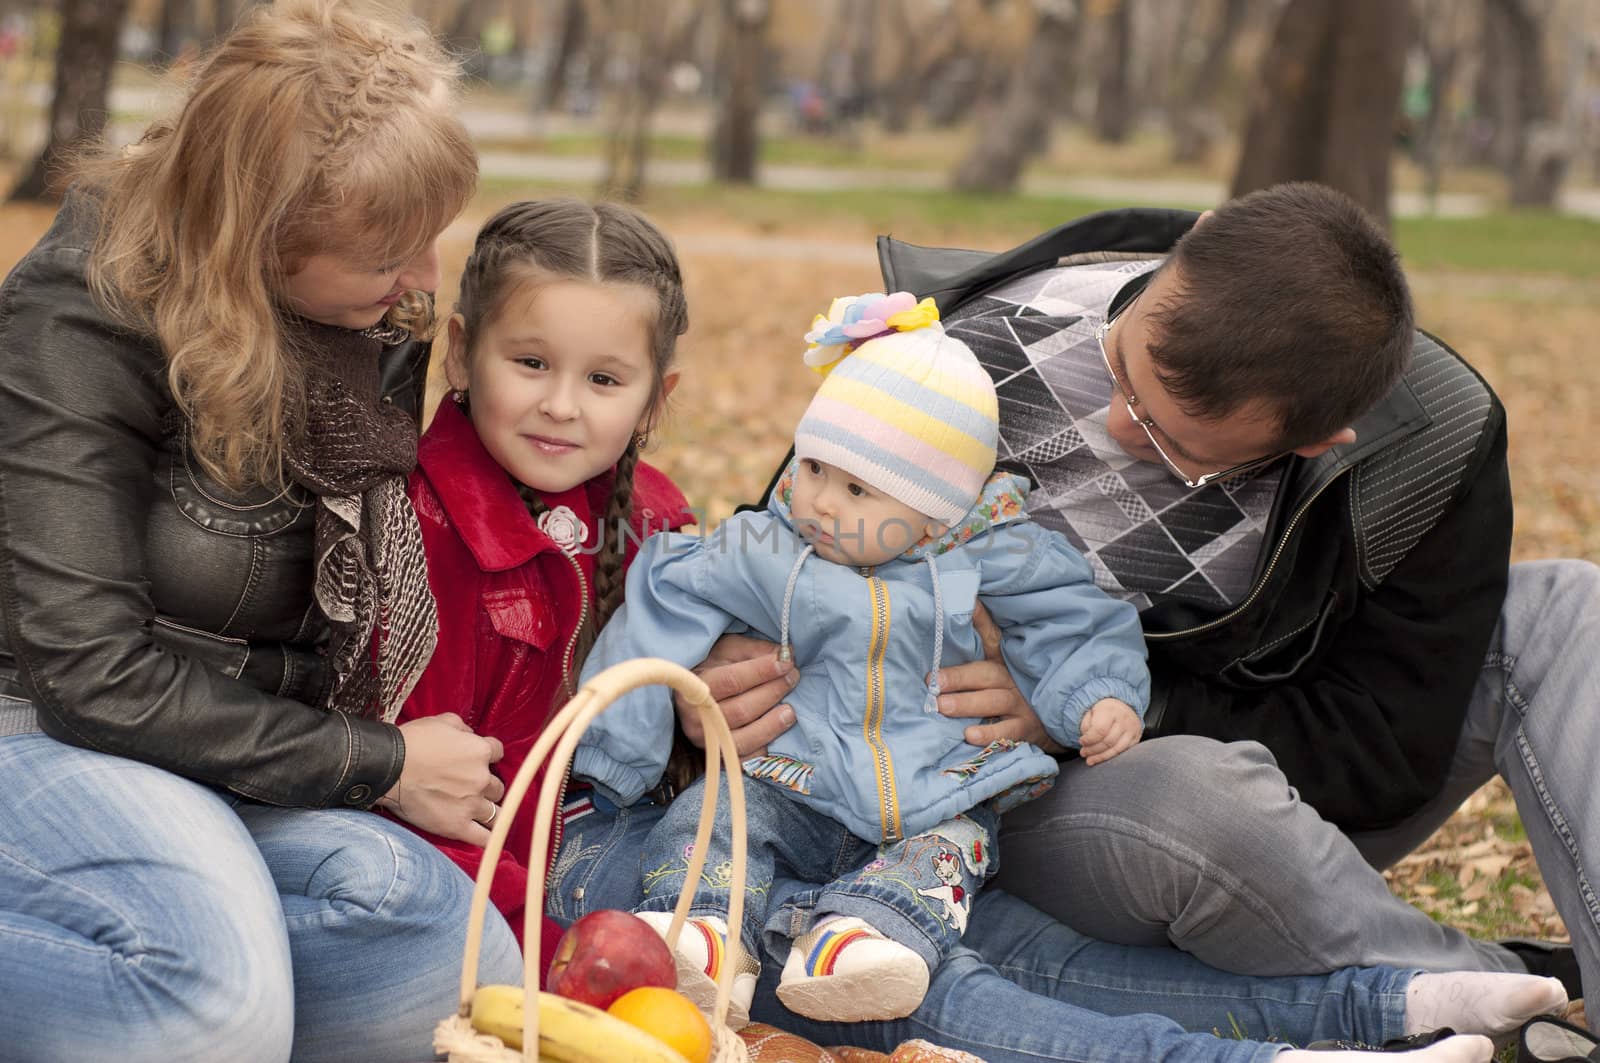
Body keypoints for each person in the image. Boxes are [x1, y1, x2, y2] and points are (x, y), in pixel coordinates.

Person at [682, 181, 1591, 1019]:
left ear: (1318, 441)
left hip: (1200, 767)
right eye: (1122, 368)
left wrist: (1102, 705)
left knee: (1569, 607)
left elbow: (1388, 755)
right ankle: (1509, 989)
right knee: (1199, 800)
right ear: (1188, 245)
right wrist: (731, 663)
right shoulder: (969, 344)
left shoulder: (1428, 456)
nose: (1119, 424)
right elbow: (789, 542)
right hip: (987, 802)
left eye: (1170, 441)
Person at [0, 3, 522, 1059]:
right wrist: (374, 764)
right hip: (47, 727)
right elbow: (87, 670)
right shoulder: (77, 314)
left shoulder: (357, 317)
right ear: (259, 240)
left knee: (449, 964)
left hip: (230, 755)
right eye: (389, 250)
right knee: (210, 1004)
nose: (424, 276)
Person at [571, 297, 1148, 1026]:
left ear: (938, 510)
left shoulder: (993, 554)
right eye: (812, 467)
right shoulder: (767, 547)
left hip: (937, 788)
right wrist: (618, 742)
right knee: (716, 813)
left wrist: (1100, 694)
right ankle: (703, 933)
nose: (818, 502)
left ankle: (864, 940)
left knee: (953, 849)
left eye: (856, 489)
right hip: (792, 774)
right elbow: (664, 606)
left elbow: (1078, 618)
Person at [392, 198, 693, 973]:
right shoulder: (418, 525)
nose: (560, 405)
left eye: (603, 378)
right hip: (492, 898)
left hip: (634, 846)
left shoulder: (655, 519)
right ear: (461, 352)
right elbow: (435, 807)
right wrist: (544, 954)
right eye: (530, 363)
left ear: (656, 397)